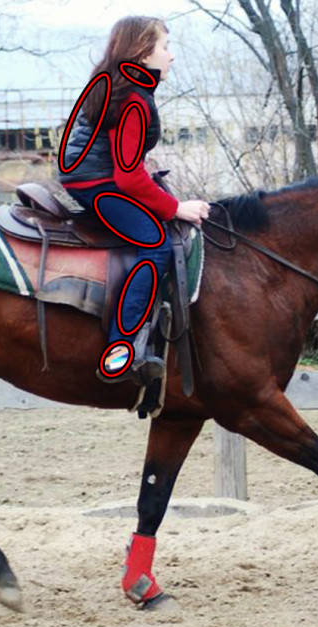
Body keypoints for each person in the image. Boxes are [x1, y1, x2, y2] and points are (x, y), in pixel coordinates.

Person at [59, 16, 209, 382]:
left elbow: (124, 157)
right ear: (142, 53)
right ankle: (121, 353)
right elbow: (127, 176)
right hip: (96, 181)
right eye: (164, 47)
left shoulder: (119, 83)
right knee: (156, 245)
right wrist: (176, 208)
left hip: (87, 174)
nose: (170, 57)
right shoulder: (134, 98)